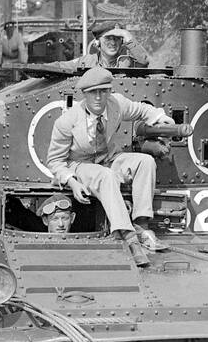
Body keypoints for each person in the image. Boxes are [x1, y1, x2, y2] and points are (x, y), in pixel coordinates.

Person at [44, 67, 176, 267]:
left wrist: (159, 117)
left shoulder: (116, 104)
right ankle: (128, 236)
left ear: (108, 92)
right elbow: (55, 161)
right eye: (93, 92)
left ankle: (141, 225)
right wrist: (71, 182)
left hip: (108, 157)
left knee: (145, 161)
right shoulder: (67, 121)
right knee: (105, 176)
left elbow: (142, 109)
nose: (99, 97)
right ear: (84, 95)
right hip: (81, 164)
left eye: (103, 91)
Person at [84, 22, 150, 70]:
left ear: (122, 42)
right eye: (108, 38)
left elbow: (143, 61)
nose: (113, 43)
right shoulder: (86, 62)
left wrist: (126, 34)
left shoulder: (129, 64)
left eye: (117, 38)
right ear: (97, 42)